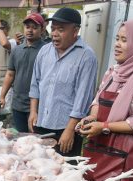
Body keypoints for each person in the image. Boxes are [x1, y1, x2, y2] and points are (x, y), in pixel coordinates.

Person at [77, 19, 133, 181]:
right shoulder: (113, 71)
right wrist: (92, 117)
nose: (117, 44)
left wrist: (104, 126)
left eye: (124, 40)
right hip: (97, 148)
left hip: (124, 156)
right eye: (117, 38)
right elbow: (97, 100)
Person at [28, 7, 98, 156]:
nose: (54, 34)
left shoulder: (86, 56)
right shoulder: (45, 51)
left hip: (65, 128)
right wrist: (33, 111)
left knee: (64, 173)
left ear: (75, 31)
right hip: (41, 123)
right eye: (53, 29)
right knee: (39, 170)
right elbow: (35, 83)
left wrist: (70, 130)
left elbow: (83, 98)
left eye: (61, 30)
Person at [0, 13, 45, 132]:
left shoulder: (46, 50)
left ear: (42, 30)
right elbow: (10, 74)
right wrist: (2, 96)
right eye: (27, 27)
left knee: (35, 140)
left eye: (34, 27)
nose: (30, 30)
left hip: (38, 106)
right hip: (18, 104)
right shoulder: (17, 50)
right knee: (20, 138)